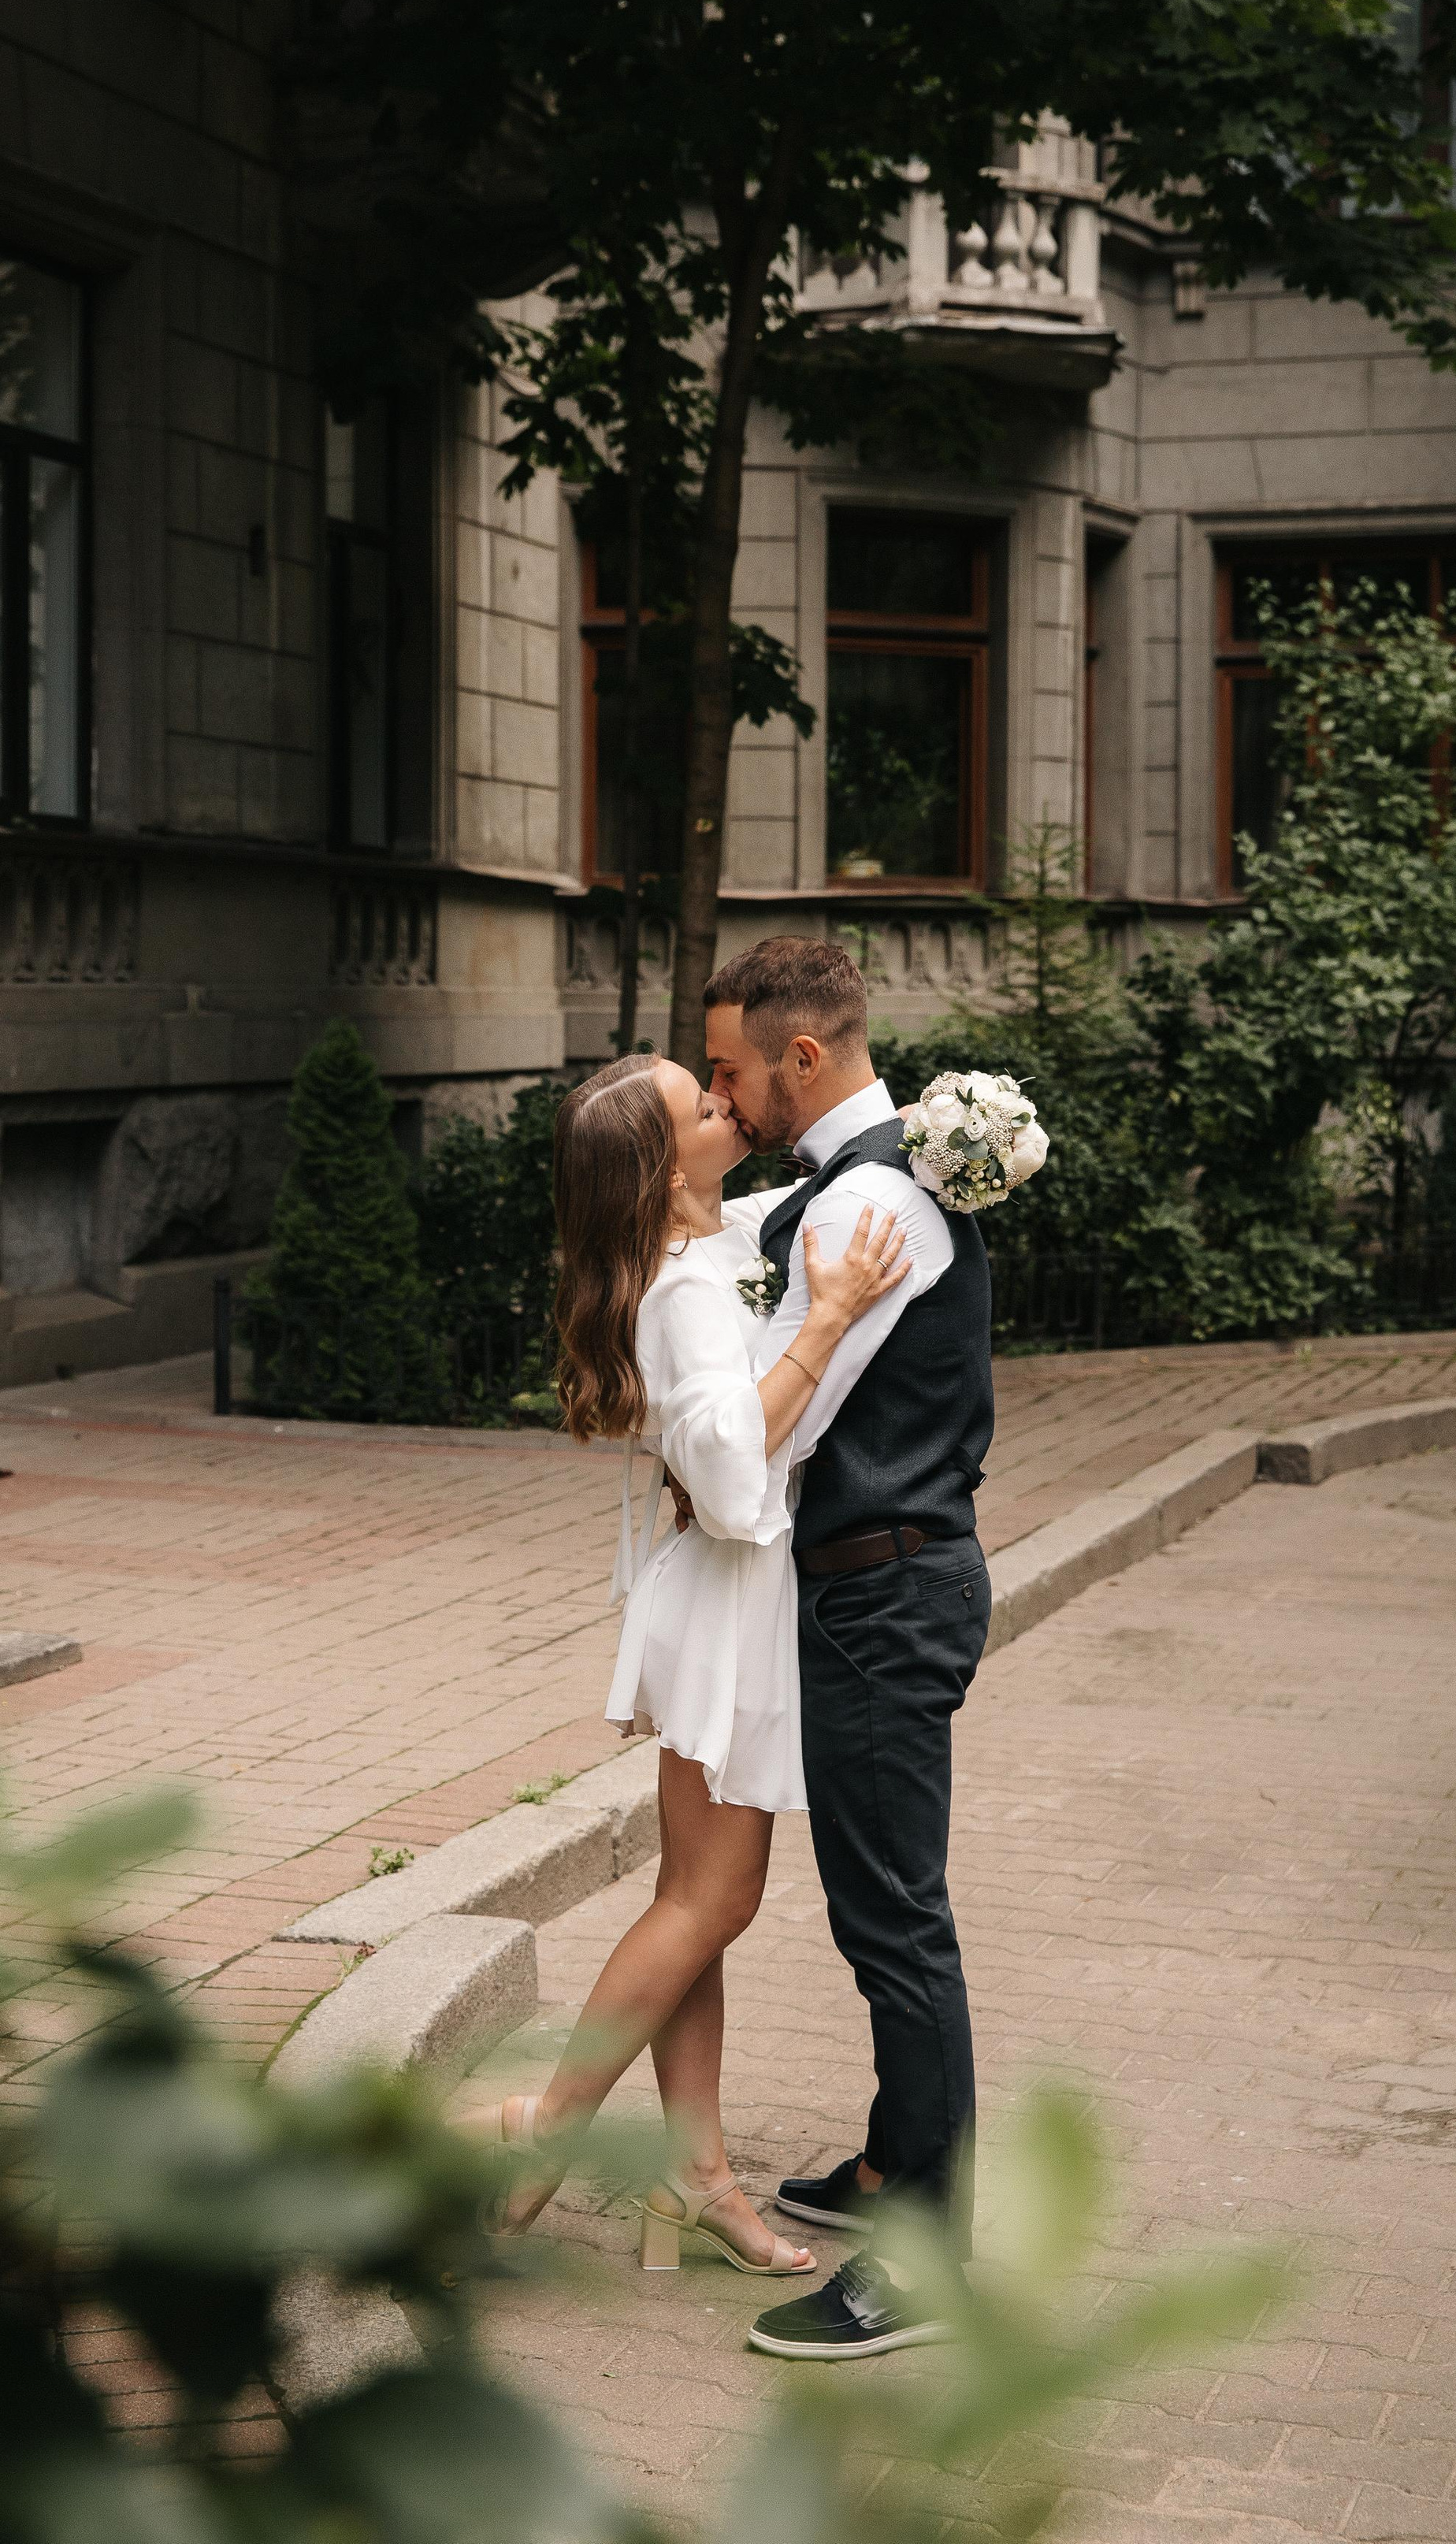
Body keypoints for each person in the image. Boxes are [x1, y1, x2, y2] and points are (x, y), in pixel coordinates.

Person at [490, 1049, 912, 2277]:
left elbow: (828, 1184)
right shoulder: (680, 1290)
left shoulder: (727, 1232)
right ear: (663, 1170)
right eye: (702, 1105)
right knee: (710, 1901)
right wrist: (826, 1318)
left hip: (726, 1608)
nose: (729, 1104)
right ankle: (550, 2121)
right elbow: (731, 1487)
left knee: (697, 1906)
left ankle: (698, 2172)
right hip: (731, 1602)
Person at [703, 936, 994, 2363]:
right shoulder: (862, 1184)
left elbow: (780, 1434)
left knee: (895, 1919)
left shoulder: (864, 1206)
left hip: (884, 1591)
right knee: (886, 1905)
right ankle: (889, 2170)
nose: (727, 1093)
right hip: (891, 1584)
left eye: (732, 1070)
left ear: (800, 1058)